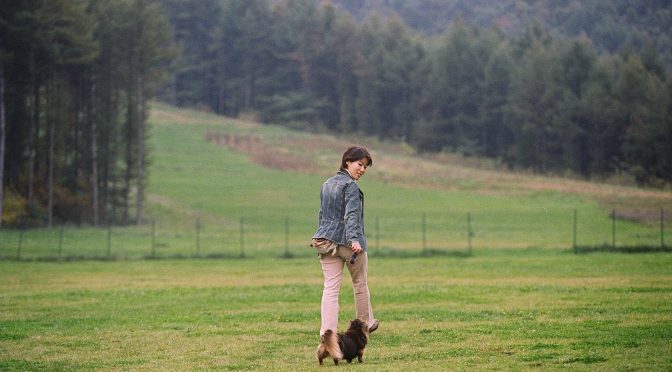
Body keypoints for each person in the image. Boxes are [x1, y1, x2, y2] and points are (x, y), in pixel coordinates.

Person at [311, 146, 379, 336]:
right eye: (360, 164)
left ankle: (327, 332)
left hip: (325, 241)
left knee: (330, 288)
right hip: (349, 245)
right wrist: (354, 240)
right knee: (360, 284)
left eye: (365, 166)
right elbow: (351, 216)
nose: (362, 169)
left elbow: (322, 214)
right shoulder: (351, 186)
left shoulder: (326, 184)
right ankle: (363, 327)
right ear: (347, 161)